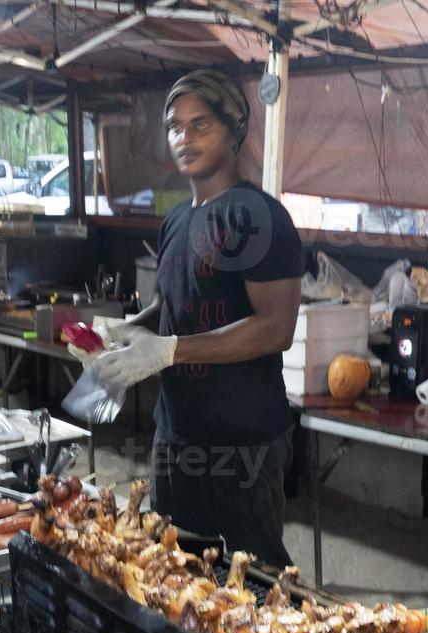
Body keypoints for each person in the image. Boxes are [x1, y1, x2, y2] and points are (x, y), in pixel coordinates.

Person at [86, 70, 304, 566]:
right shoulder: (177, 219)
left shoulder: (258, 217)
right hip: (177, 433)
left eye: (200, 124)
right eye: (175, 127)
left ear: (233, 129)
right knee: (178, 568)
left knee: (254, 580)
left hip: (243, 442)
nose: (184, 138)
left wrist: (169, 350)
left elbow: (276, 328)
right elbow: (172, 304)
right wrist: (125, 330)